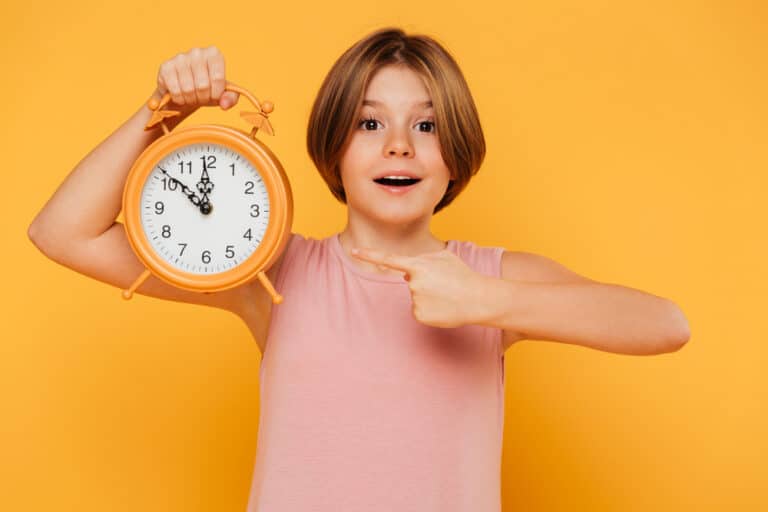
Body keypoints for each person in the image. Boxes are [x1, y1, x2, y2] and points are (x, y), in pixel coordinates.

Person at [28, 27, 690, 512]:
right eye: (370, 123)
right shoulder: (274, 274)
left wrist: (485, 299)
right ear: (334, 151)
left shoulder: (493, 280)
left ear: (455, 156)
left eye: (426, 126)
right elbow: (62, 232)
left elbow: (664, 324)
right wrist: (159, 116)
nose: (399, 142)